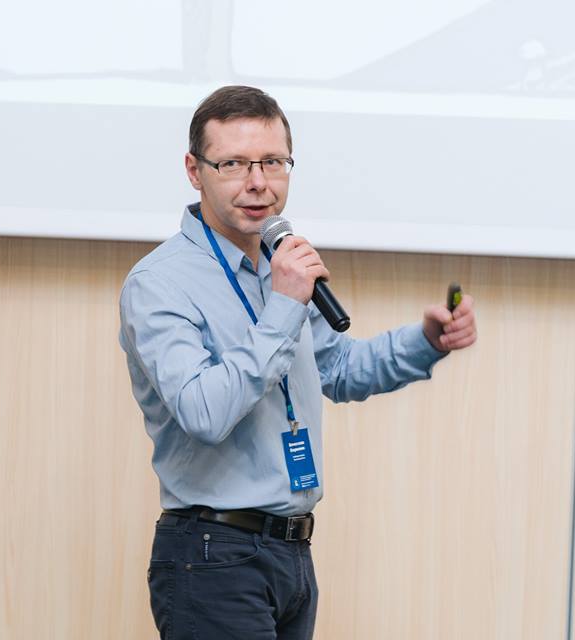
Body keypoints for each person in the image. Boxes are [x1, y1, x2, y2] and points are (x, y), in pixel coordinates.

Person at [119, 85, 477, 640]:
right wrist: (285, 305)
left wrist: (426, 341)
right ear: (194, 171)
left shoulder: (278, 268)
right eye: (233, 164)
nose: (258, 181)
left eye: (273, 162)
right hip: (213, 556)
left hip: (290, 555)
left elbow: (339, 369)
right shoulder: (160, 283)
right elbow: (204, 412)